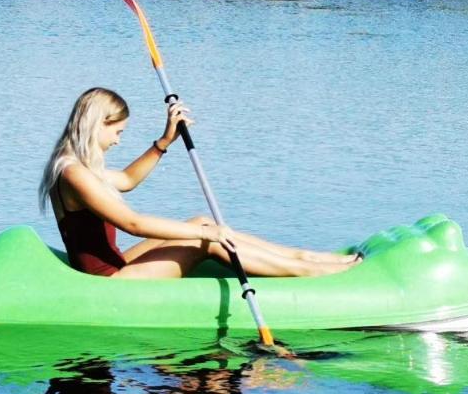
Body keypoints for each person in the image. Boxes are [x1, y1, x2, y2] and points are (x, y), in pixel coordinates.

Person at [38, 87, 360, 279]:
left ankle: (307, 258)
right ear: (97, 125)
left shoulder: (81, 167)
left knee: (201, 220)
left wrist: (165, 141)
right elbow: (132, 223)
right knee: (206, 238)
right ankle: (309, 273)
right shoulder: (72, 173)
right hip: (110, 281)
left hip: (119, 263)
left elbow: (126, 180)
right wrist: (208, 235)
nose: (119, 141)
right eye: (117, 132)